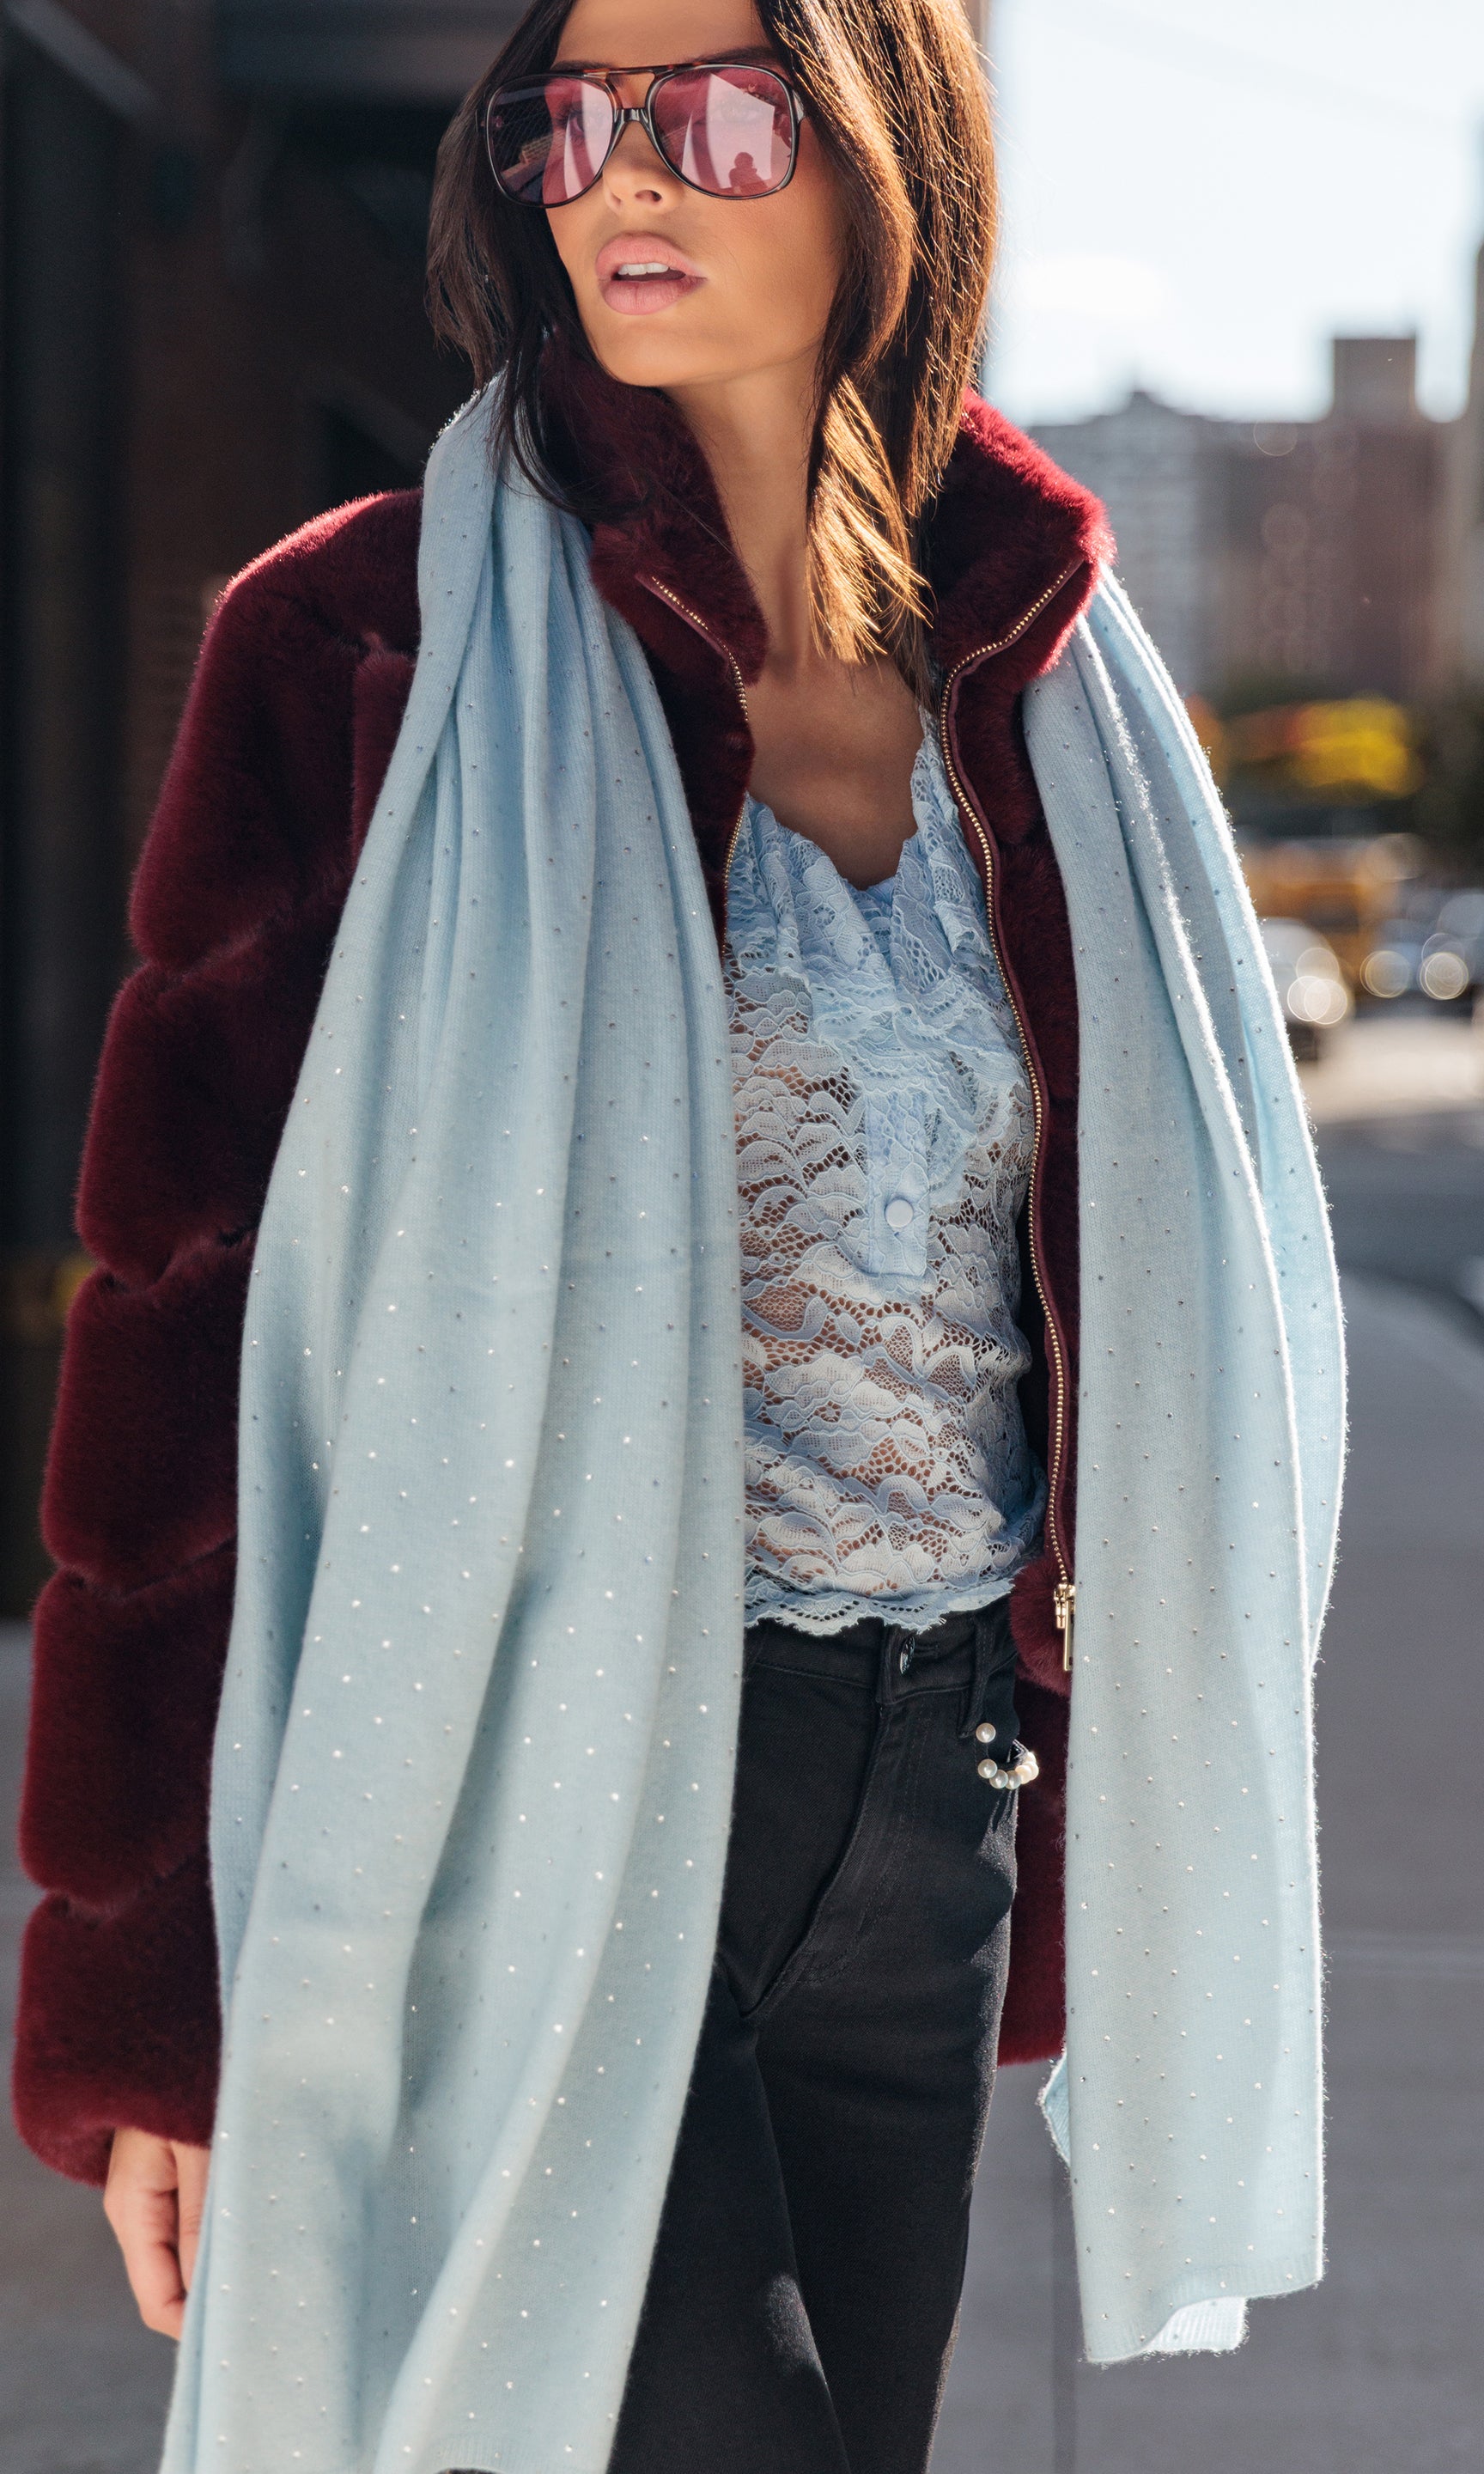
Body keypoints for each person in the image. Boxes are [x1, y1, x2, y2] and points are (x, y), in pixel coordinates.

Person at [13, 1, 1344, 2469]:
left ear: (879, 165)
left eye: (721, 114)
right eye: (577, 120)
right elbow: (176, 1348)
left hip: (927, 1808)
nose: (632, 177)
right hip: (541, 1785)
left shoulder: (1042, 681)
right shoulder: (358, 645)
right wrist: (143, 2009)